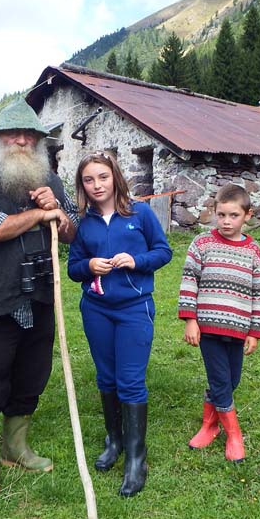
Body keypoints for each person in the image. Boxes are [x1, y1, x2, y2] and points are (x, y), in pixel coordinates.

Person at [0, 97, 78, 497]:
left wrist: (57, 209)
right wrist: (38, 217)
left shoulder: (50, 179)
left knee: (31, 375)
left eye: (30, 135)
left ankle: (16, 448)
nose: (22, 141)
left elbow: (73, 231)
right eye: (13, 134)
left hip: (40, 294)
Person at [67, 151, 172, 497]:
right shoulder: (85, 222)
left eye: (102, 177)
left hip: (134, 309)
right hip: (96, 310)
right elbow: (73, 268)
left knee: (130, 380)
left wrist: (136, 260)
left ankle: (136, 458)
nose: (97, 185)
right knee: (106, 378)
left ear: (115, 178)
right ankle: (114, 441)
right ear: (82, 185)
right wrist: (89, 266)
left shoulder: (139, 213)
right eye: (88, 180)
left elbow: (163, 252)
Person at [178, 184, 260, 463]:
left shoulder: (253, 250)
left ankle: (211, 423)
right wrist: (190, 319)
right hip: (209, 329)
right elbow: (189, 281)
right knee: (220, 379)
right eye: (221, 215)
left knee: (231, 381)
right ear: (214, 213)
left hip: (239, 329)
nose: (226, 222)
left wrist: (255, 331)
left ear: (247, 215)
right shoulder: (202, 244)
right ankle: (233, 435)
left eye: (233, 215)